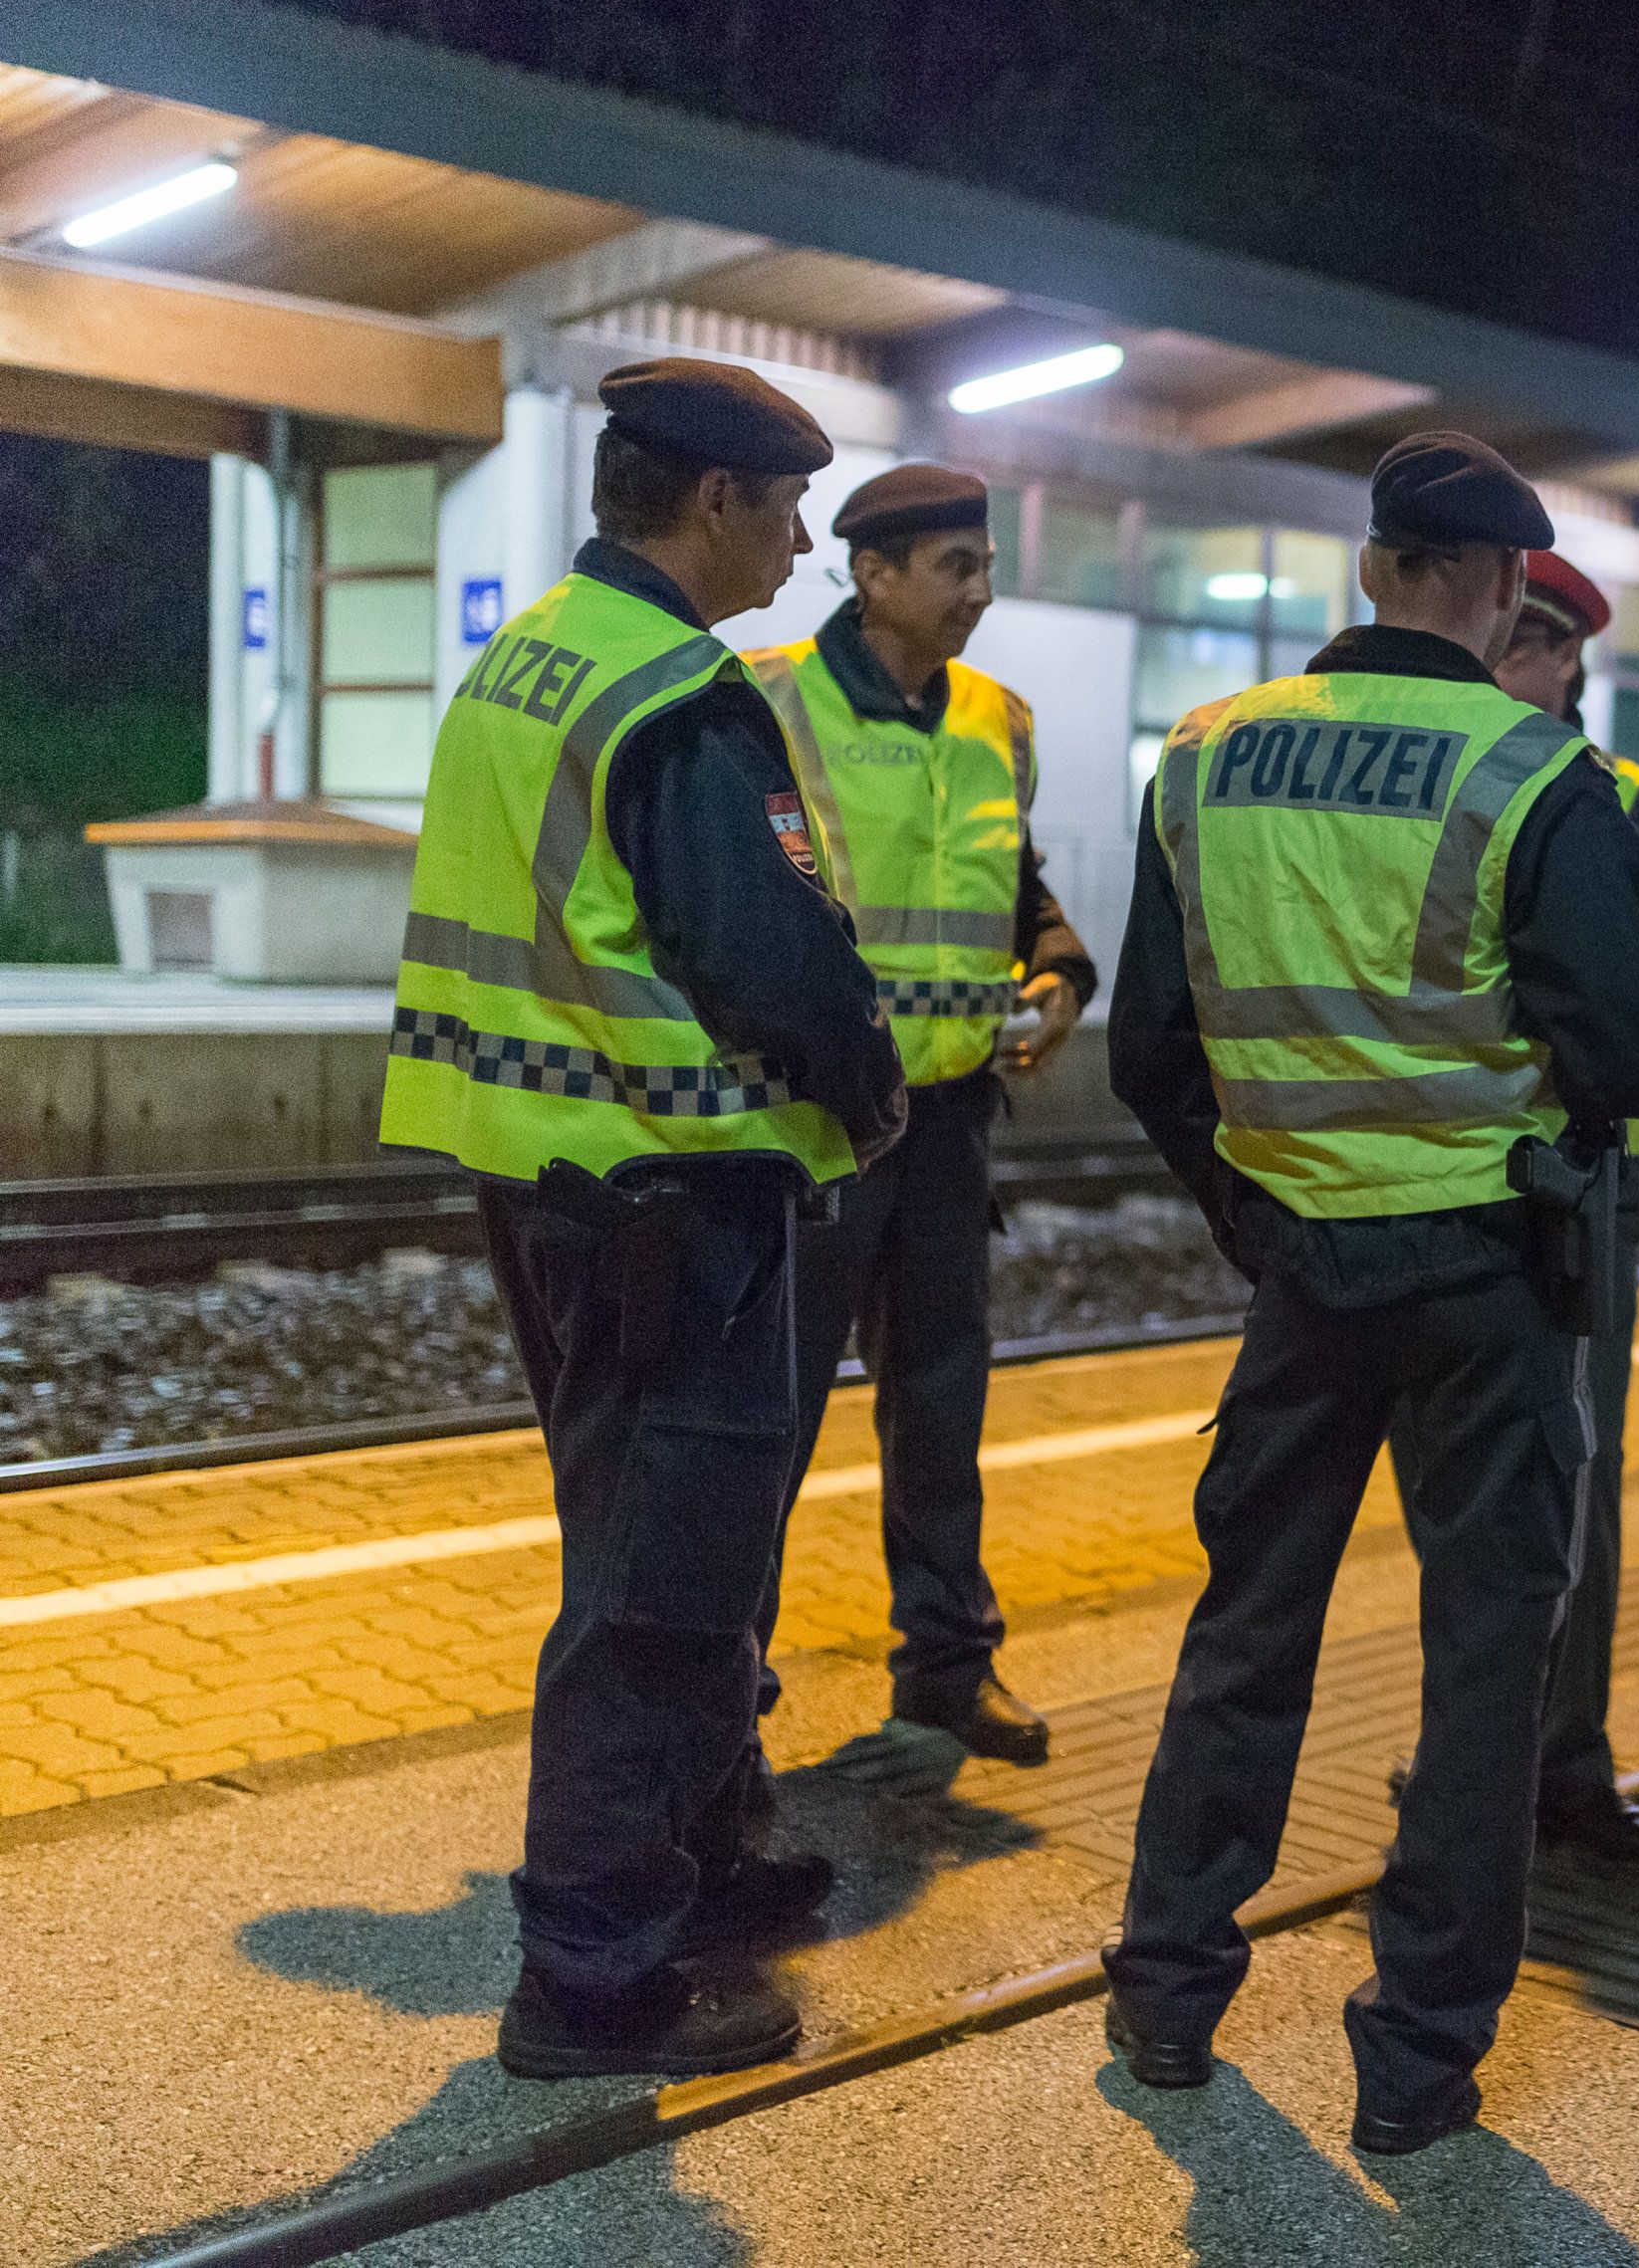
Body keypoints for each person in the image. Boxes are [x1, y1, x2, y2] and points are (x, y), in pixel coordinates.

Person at [1099, 432, 1639, 2155]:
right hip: (1486, 1282)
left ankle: (1164, 1984)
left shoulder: (1206, 756)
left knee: (1247, 1632)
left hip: (1299, 1272)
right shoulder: (1534, 772)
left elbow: (1153, 1048)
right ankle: (1416, 2058)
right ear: (1506, 590)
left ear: (1373, 568)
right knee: (1481, 1662)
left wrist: (1255, 1208)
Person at [379, 359, 907, 2079]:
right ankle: (595, 1973)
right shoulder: (678, 695)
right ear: (713, 505)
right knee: (658, 1584)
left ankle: (708, 1857)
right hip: (672, 1190)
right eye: (788, 507)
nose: (805, 538)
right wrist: (873, 1083)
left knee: (665, 1544)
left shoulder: (530, 655)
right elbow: (768, 959)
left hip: (547, 1176)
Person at [750, 464, 1095, 1764]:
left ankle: (948, 1668)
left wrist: (1060, 968)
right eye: (957, 565)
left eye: (988, 565)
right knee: (767, 1419)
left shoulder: (997, 716)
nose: (982, 592)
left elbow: (1016, 882)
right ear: (874, 573)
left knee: (943, 1410)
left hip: (949, 1119)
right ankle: (727, 1679)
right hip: (810, 1125)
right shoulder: (770, 700)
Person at [1445, 546, 1639, 1860]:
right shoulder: (1451, 769)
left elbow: (1593, 1004)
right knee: (1473, 1491)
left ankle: (1563, 1760)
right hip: (1453, 1177)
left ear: (1552, 656)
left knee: (1578, 1482)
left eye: (1510, 639)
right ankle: (1466, 1759)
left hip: (1581, 1187)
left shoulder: (1627, 798)